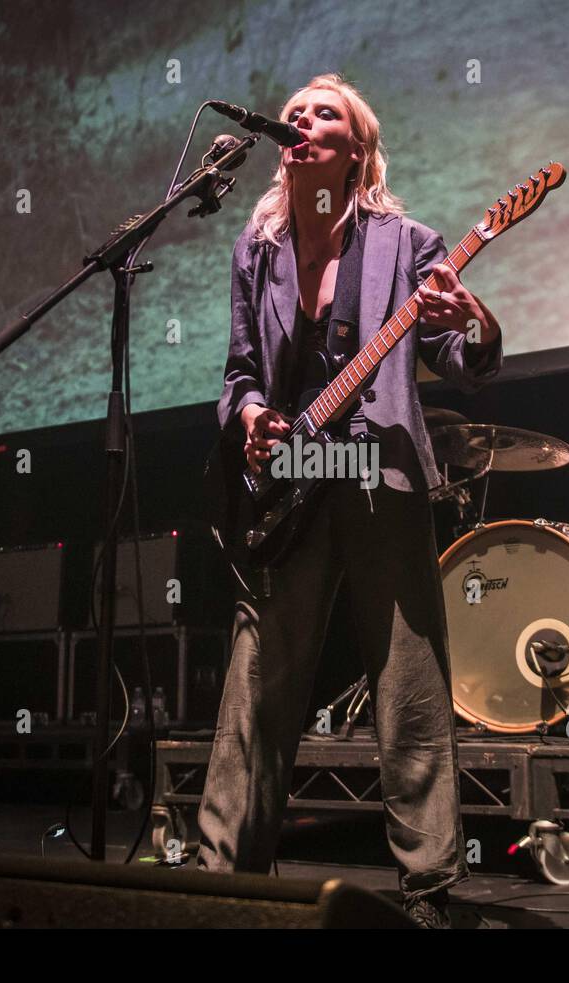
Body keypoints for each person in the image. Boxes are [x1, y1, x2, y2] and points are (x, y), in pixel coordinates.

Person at [196, 73, 503, 928]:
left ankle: (431, 888)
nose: (300, 118)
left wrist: (471, 321)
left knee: (409, 685)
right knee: (256, 690)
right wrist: (254, 415)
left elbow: (455, 356)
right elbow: (239, 374)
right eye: (293, 111)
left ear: (357, 149)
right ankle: (226, 880)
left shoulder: (407, 241)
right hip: (285, 493)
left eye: (323, 111)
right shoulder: (255, 247)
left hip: (382, 479)